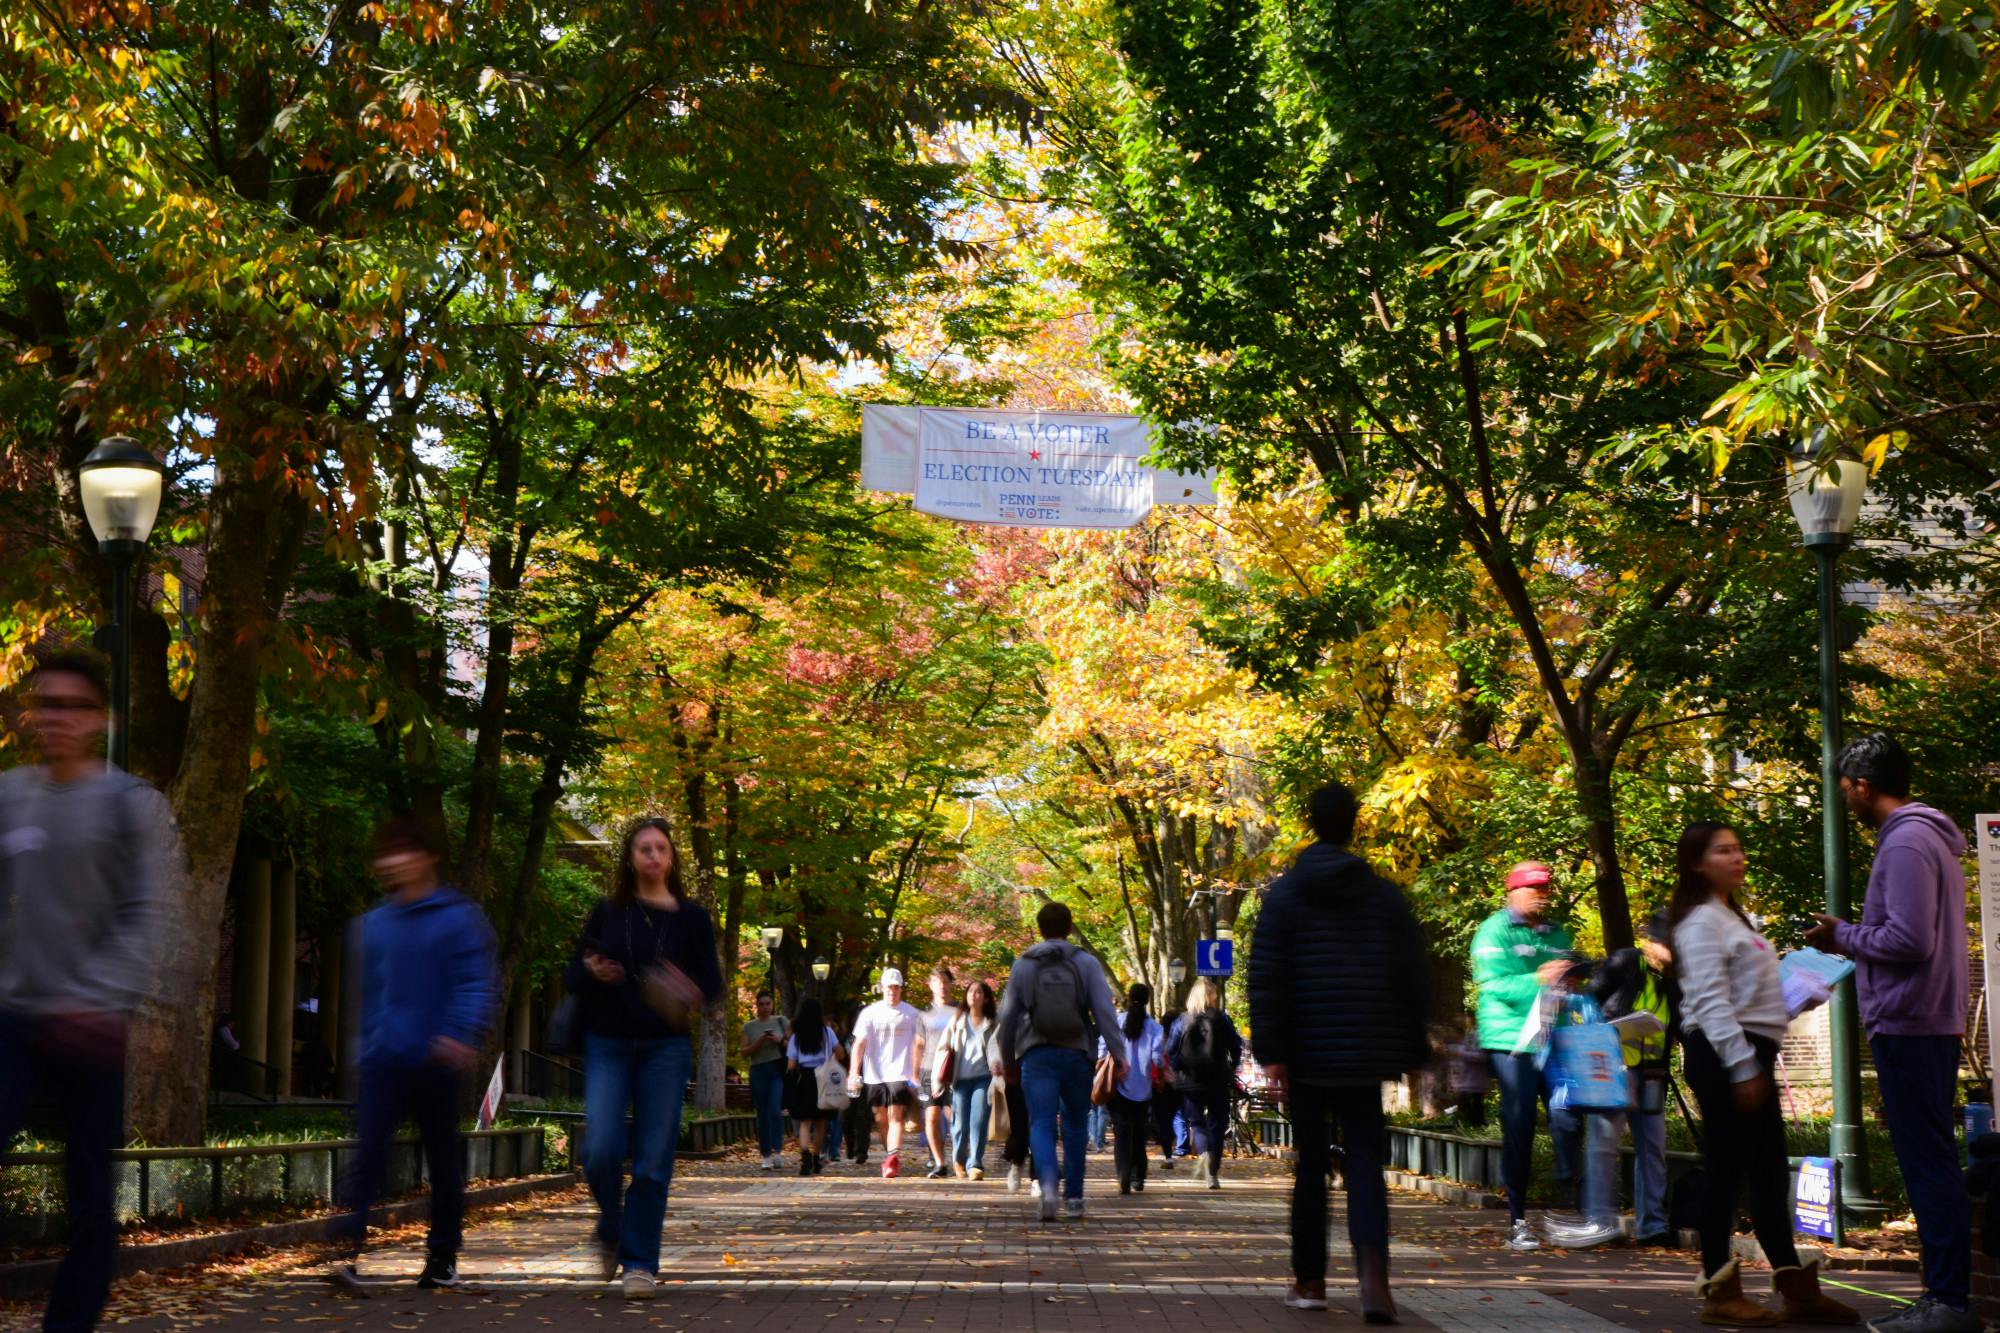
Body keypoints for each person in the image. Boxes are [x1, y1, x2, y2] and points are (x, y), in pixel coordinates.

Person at [0, 651, 178, 1332]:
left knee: (88, 1195)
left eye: (73, 706)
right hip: (15, 1015)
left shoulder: (131, 805)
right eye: (45, 705)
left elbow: (148, 913)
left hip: (92, 1025)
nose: (56, 719)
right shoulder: (10, 795)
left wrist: (99, 993)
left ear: (103, 719)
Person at [1807, 733, 1975, 1333]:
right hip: (1927, 1017)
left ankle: (1947, 1303)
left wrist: (1841, 935)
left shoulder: (1904, 844)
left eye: (1845, 787)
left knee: (1927, 1162)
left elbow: (1907, 941)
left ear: (1862, 786)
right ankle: (1944, 1298)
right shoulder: (1926, 839)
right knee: (1932, 1159)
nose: (1844, 797)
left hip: (1911, 1019)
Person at [1250, 779, 1430, 1319]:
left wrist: (1272, 1050)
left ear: (1311, 822)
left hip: (1307, 1052)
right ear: (1354, 825)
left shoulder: (1284, 896)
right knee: (1366, 1163)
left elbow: (1267, 977)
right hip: (1366, 1049)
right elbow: (1412, 971)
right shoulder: (1382, 895)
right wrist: (1410, 1041)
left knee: (1310, 1166)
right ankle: (1375, 1281)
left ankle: (1310, 1282)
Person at [1674, 822, 1856, 1327]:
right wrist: (1740, 1065)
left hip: (1748, 1049)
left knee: (1769, 1173)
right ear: (1696, 863)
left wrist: (1800, 996)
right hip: (1723, 1053)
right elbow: (1710, 1004)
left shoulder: (1735, 919)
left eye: (1738, 849)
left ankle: (1795, 1287)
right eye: (1723, 851)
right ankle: (1720, 1291)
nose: (1737, 858)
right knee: (1728, 1171)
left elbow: (1749, 999)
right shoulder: (1699, 923)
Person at [329, 816, 500, 1294]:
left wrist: (460, 1033)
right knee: (368, 1153)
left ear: (427, 857)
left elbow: (475, 980)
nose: (395, 862)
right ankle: (346, 1252)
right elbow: (368, 992)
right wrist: (364, 1044)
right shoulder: (372, 926)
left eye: (405, 851)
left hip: (437, 1057)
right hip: (385, 1056)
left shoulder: (458, 917)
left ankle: (442, 1256)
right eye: (388, 854)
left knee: (443, 1160)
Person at [562, 817, 723, 1301]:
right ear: (630, 858)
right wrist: (593, 970)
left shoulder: (691, 917)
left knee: (653, 1162)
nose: (653, 856)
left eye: (661, 848)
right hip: (608, 1041)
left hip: (665, 1049)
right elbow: (573, 973)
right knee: (600, 1149)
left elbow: (712, 983)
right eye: (643, 849)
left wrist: (688, 989)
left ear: (671, 858)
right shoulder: (608, 911)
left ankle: (639, 1264)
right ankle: (612, 1223)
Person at [1469, 860, 1579, 1250]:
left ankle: (1571, 1207)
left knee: (1568, 1118)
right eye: (1532, 888)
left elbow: (1566, 982)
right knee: (1519, 1124)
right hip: (1511, 1041)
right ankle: (1517, 1220)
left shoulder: (1556, 931)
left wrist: (1571, 981)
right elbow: (1494, 985)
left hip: (1553, 1039)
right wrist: (1540, 978)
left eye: (1544, 888)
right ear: (1512, 891)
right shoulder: (1492, 931)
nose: (1539, 894)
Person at [994, 901, 1126, 1222]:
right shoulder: (1086, 962)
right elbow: (1104, 1013)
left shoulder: (1024, 964)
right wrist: (1118, 1055)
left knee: (1040, 1122)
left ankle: (1048, 1187)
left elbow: (1007, 1018)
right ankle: (1076, 1198)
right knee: (1076, 1124)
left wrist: (1008, 1059)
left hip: (1036, 1054)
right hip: (1077, 1052)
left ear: (1040, 929)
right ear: (1070, 927)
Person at [848, 968, 926, 1178]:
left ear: (901, 988)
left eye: (896, 986)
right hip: (875, 1075)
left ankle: (892, 1157)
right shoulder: (869, 1013)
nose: (892, 990)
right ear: (882, 988)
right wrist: (854, 1072)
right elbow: (859, 1044)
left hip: (901, 1073)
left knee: (896, 1116)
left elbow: (919, 1045)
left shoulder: (911, 1014)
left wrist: (916, 1073)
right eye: (889, 986)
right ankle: (890, 1155)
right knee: (881, 1119)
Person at [1169, 977, 1242, 1189]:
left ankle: (1204, 1154)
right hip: (1218, 1080)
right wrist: (1232, 1067)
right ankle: (1213, 1173)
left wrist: (1179, 1070)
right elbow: (1236, 1046)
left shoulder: (1182, 1021)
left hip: (1191, 1082)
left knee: (1197, 1124)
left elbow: (1172, 1051)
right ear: (1212, 997)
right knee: (1217, 1126)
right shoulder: (1222, 1019)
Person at [1107, 983, 1164, 1195]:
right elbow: (1157, 1059)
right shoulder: (1155, 1028)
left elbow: (1104, 1048)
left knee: (1122, 1132)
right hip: (1143, 1089)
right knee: (1139, 1133)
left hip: (1120, 1086)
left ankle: (1122, 1172)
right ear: (1148, 1001)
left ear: (1129, 999)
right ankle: (1137, 1176)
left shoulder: (1118, 1021)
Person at [783, 996, 845, 1176]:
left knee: (804, 1121)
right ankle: (817, 1158)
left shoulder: (796, 1036)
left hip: (805, 1078)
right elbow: (840, 1053)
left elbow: (791, 1065)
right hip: (823, 1078)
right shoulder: (827, 1032)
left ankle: (805, 1157)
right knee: (821, 1122)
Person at [946, 979, 997, 1178]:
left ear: (984, 999)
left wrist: (997, 1065)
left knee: (979, 1120)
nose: (973, 996)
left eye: (977, 992)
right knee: (960, 1124)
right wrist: (938, 1080)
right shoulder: (958, 1020)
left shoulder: (992, 1022)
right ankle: (958, 1159)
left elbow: (996, 1049)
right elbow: (944, 1049)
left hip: (983, 1078)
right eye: (970, 992)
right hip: (960, 1080)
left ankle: (975, 1163)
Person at [740, 993, 790, 1170]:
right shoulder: (749, 1027)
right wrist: (760, 1041)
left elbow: (792, 1044)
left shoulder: (781, 1021)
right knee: (762, 1113)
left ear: (772, 1004)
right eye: (761, 1004)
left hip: (776, 1069)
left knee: (775, 1110)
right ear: (756, 1006)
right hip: (758, 1070)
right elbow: (744, 1052)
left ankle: (777, 1151)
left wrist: (778, 1040)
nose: (765, 1007)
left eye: (768, 1003)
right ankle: (765, 1154)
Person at [919, 965, 961, 1178]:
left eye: (945, 981)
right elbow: (918, 1045)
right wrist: (913, 1075)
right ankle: (939, 1162)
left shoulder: (961, 1010)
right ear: (930, 985)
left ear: (951, 984)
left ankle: (960, 1159)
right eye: (937, 982)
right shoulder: (924, 1013)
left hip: (955, 1070)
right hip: (929, 1069)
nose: (942, 986)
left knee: (956, 1115)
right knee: (932, 1116)